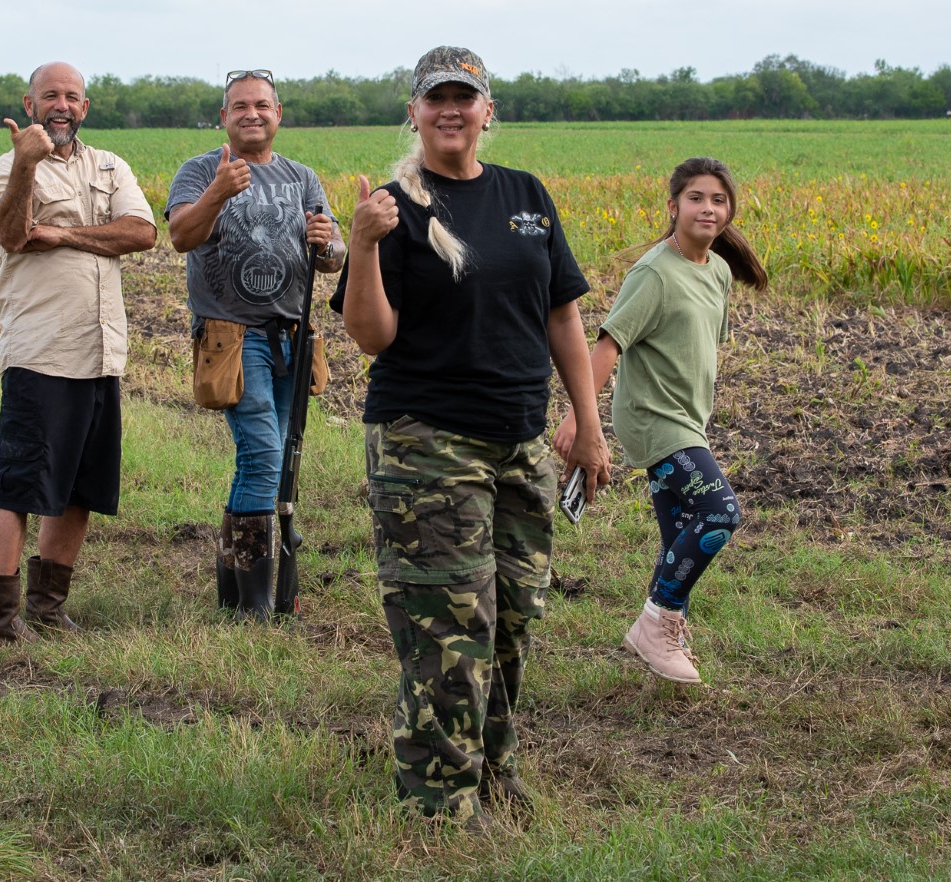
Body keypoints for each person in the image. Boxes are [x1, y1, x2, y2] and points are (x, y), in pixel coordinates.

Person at [334, 46, 610, 823]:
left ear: (489, 111)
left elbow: (562, 316)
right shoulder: (392, 207)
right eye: (436, 98)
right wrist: (363, 244)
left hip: (520, 441)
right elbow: (372, 336)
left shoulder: (525, 196)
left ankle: (493, 775)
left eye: (466, 97)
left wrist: (589, 426)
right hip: (426, 441)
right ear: (415, 113)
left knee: (513, 619)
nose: (451, 110)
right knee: (451, 629)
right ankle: (438, 804)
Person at [554, 156, 768, 684]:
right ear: (673, 206)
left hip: (687, 419)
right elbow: (608, 346)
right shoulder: (653, 273)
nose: (708, 208)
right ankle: (657, 622)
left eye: (718, 200)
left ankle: (662, 639)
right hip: (654, 419)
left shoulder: (717, 271)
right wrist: (579, 418)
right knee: (719, 513)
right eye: (696, 198)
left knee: (678, 535)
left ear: (729, 211)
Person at [0, 62, 157, 644]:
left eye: (72, 96)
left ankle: (48, 609)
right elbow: (12, 234)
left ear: (85, 107)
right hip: (41, 352)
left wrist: (64, 234)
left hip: (100, 352)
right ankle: (2, 622)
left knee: (80, 489)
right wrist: (27, 164)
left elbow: (142, 232)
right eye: (50, 95)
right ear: (29, 105)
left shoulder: (109, 166)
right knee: (19, 487)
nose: (62, 105)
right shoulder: (2, 170)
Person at [165, 69, 343, 619]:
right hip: (233, 339)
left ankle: (236, 592)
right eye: (240, 106)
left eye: (261, 105)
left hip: (292, 337)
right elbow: (181, 236)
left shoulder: (302, 176)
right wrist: (218, 192)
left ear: (278, 114)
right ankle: (257, 604)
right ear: (224, 117)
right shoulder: (200, 171)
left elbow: (335, 256)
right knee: (264, 454)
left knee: (273, 457)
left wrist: (328, 244)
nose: (252, 114)